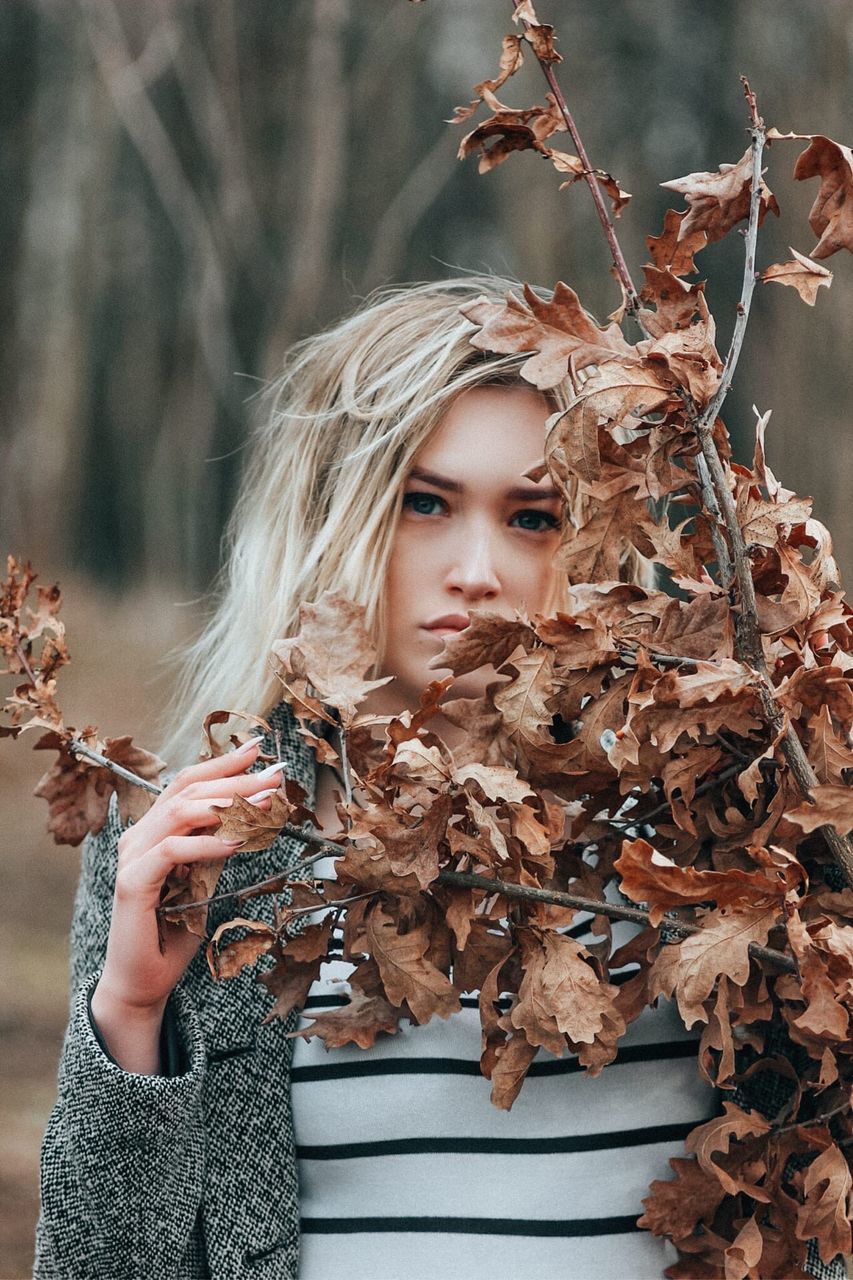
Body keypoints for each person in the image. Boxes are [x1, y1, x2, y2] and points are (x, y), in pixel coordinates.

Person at [34, 278, 840, 1280]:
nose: (475, 568)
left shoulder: (718, 816)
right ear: (334, 515)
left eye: (533, 516)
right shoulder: (198, 850)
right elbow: (97, 1264)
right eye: (425, 502)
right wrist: (131, 1012)